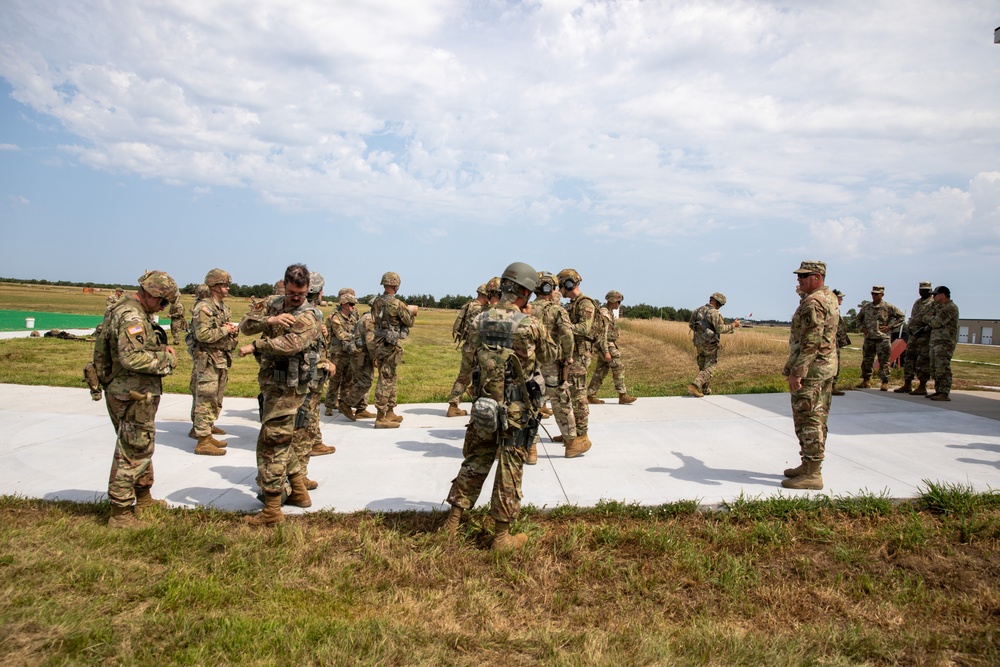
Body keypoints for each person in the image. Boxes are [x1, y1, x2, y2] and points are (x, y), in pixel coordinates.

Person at [441, 262, 555, 550]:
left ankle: (452, 523)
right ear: (525, 293)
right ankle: (502, 538)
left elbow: (469, 360)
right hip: (517, 410)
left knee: (476, 459)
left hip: (484, 405)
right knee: (510, 467)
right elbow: (552, 354)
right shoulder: (529, 324)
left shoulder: (478, 319)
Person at [237, 264, 322, 526]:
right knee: (281, 439)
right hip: (271, 384)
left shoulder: (309, 315)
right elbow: (245, 324)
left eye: (302, 293)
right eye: (293, 292)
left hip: (290, 387)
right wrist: (269, 321)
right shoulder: (272, 304)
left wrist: (257, 345)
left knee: (271, 443)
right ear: (285, 285)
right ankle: (298, 492)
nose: (297, 298)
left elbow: (291, 344)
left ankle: (272, 509)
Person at [103, 270, 179, 528]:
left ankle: (143, 497)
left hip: (132, 390)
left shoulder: (131, 310)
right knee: (132, 450)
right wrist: (167, 360)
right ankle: (120, 512)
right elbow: (131, 358)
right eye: (162, 302)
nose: (163, 307)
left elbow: (138, 348)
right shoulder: (132, 316)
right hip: (131, 393)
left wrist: (158, 348)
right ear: (150, 294)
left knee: (141, 445)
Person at [781, 261, 839, 490]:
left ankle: (813, 473)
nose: (799, 280)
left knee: (808, 419)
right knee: (817, 417)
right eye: (799, 276)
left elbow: (810, 341)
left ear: (817, 277)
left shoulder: (813, 302)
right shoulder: (828, 297)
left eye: (804, 276)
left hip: (812, 371)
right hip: (825, 367)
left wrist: (798, 372)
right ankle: (808, 465)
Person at [289, 272, 336, 490]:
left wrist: (325, 361)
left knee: (306, 424)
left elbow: (317, 346)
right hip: (301, 376)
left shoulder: (313, 312)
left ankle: (301, 472)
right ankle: (295, 476)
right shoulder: (303, 313)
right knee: (300, 427)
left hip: (312, 374)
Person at [187, 269, 239, 456]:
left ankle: (206, 432)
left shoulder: (222, 307)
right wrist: (225, 330)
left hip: (220, 358)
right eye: (224, 285)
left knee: (215, 398)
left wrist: (231, 331)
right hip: (208, 359)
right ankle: (202, 440)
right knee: (206, 398)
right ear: (215, 286)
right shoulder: (205, 307)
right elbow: (203, 335)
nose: (227, 288)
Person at [528, 271, 576, 462]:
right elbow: (568, 336)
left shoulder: (525, 309)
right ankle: (571, 443)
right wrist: (568, 357)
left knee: (531, 404)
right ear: (551, 289)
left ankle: (531, 448)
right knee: (561, 402)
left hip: (530, 364)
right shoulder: (557, 310)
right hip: (552, 364)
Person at [556, 268, 602, 457]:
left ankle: (582, 436)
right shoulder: (573, 304)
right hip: (571, 355)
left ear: (568, 284)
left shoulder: (585, 303)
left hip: (580, 356)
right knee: (568, 393)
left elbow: (584, 328)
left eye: (561, 285)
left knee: (578, 396)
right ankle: (570, 432)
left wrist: (564, 328)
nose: (559, 289)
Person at [370, 272, 417, 429]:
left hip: (378, 342)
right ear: (396, 285)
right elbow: (408, 322)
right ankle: (380, 416)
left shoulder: (375, 301)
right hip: (389, 345)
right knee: (386, 377)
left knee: (391, 376)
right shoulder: (397, 304)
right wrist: (412, 312)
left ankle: (389, 411)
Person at [445, 284, 489, 417]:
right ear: (484, 295)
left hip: (467, 347)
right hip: (476, 349)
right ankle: (479, 409)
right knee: (480, 378)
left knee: (463, 377)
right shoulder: (480, 309)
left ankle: (453, 405)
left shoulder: (469, 305)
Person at [587, 290, 637, 405]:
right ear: (612, 301)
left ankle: (590, 395)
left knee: (601, 370)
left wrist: (615, 332)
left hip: (607, 344)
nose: (619, 304)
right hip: (606, 345)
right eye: (618, 302)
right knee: (618, 366)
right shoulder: (605, 313)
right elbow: (602, 334)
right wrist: (606, 352)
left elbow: (608, 329)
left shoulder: (609, 312)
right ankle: (622, 395)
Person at [687, 292, 740, 398]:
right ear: (718, 303)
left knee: (703, 367)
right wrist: (734, 325)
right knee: (710, 367)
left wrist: (702, 332)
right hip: (710, 345)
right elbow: (720, 329)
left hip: (698, 343)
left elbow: (691, 325)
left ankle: (705, 390)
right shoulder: (714, 313)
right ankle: (694, 385)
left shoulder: (697, 310)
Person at [857, 285, 905, 391]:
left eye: (876, 294)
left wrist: (890, 327)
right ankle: (866, 381)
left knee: (884, 362)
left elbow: (901, 317)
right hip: (869, 338)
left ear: (882, 294)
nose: (874, 296)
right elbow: (858, 319)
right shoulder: (866, 307)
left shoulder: (888, 307)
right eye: (872, 293)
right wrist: (862, 328)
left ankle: (885, 382)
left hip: (882, 339)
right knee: (867, 361)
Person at [325, 289, 363, 417]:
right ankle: (329, 406)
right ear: (345, 305)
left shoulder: (353, 317)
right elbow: (341, 335)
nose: (353, 307)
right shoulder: (336, 318)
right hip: (338, 353)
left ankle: (343, 404)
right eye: (351, 305)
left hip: (349, 353)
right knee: (334, 380)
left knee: (347, 381)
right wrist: (355, 337)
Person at [895, 281, 934, 395]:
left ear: (930, 291)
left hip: (924, 337)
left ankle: (922, 386)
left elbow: (933, 320)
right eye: (921, 290)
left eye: (925, 290)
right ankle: (907, 384)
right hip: (913, 336)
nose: (922, 292)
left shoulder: (933, 303)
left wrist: (924, 330)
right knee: (909, 359)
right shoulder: (917, 302)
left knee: (922, 361)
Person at [340, 307, 377, 420]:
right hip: (362, 354)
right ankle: (346, 404)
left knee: (362, 380)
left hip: (360, 353)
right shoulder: (370, 319)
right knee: (365, 382)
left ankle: (361, 409)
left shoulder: (366, 317)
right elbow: (370, 340)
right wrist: (375, 357)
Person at [927, 285, 959, 402]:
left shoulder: (950, 308)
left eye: (935, 294)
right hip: (936, 342)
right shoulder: (939, 307)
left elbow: (935, 322)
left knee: (942, 367)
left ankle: (944, 392)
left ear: (943, 295)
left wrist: (928, 319)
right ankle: (939, 390)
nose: (933, 297)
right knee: (935, 367)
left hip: (945, 343)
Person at [830, 289, 851, 396]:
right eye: (840, 297)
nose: (841, 299)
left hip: (836, 341)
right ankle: (831, 386)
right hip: (832, 342)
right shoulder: (832, 310)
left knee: (836, 364)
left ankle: (832, 385)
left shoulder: (836, 309)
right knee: (833, 364)